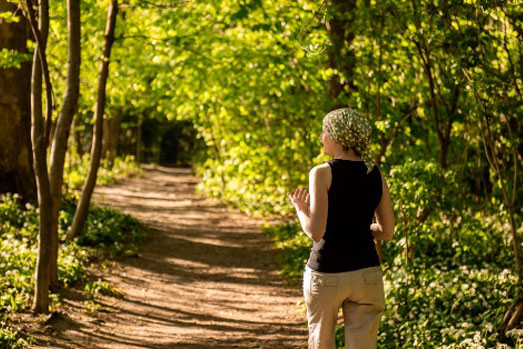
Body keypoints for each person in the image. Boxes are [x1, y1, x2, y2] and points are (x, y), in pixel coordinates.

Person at [286, 107, 395, 349]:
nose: (321, 137)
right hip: (367, 274)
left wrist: (301, 210)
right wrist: (356, 228)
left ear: (337, 135)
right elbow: (387, 232)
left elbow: (316, 232)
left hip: (327, 273)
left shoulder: (322, 173)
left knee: (322, 343)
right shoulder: (375, 174)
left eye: (324, 132)